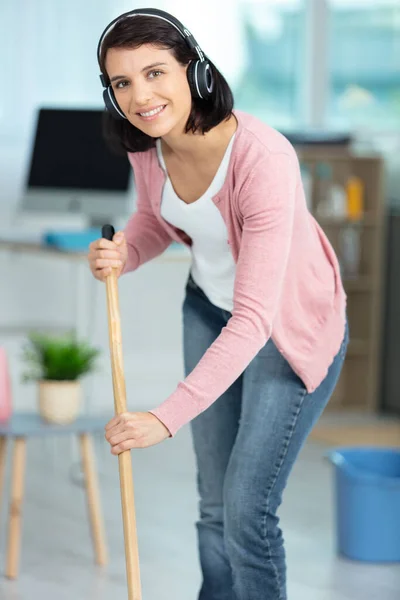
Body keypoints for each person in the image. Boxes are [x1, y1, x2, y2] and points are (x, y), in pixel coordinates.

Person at [88, 8, 349, 600]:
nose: (140, 96)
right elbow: (156, 220)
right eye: (122, 83)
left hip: (286, 331)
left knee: (245, 511)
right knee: (212, 505)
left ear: (193, 69)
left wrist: (164, 417)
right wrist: (123, 255)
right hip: (208, 311)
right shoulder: (146, 144)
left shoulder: (263, 158)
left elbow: (255, 319)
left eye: (156, 73)